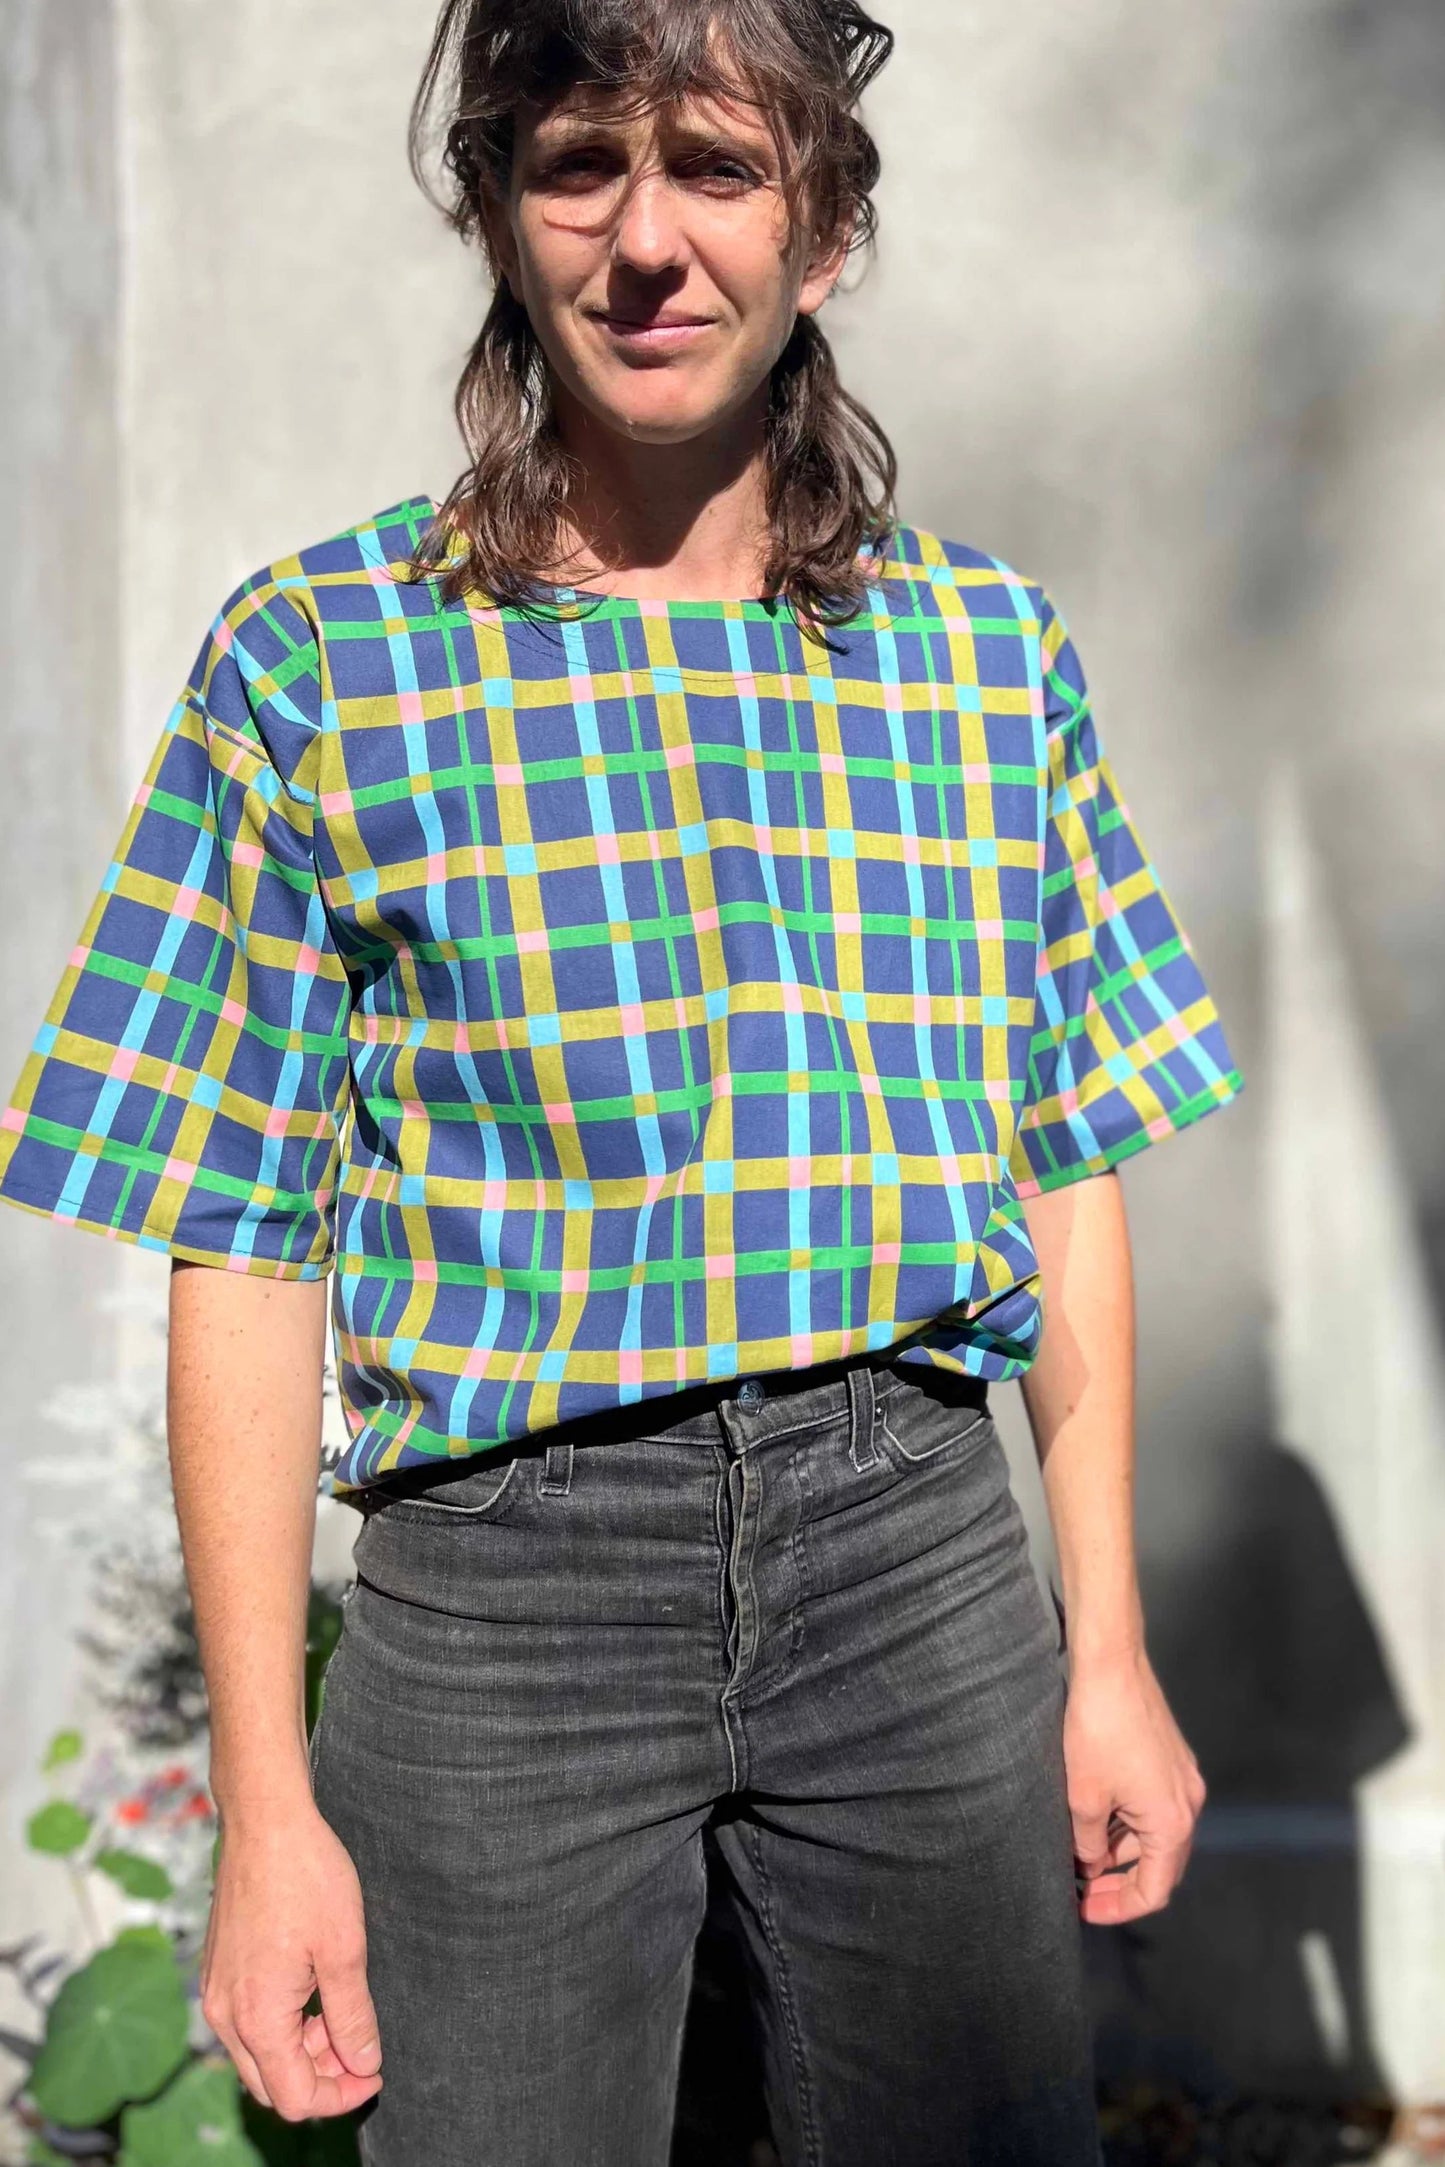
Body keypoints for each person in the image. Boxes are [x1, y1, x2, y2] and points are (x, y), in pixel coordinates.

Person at [0, 0, 1244, 2160]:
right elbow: (243, 1236)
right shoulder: (321, 661)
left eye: (720, 169)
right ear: (496, 208)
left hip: (916, 1555)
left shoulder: (980, 655)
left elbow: (1069, 1160)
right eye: (579, 164)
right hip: (504, 1608)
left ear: (825, 228)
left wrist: (1106, 1642)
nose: (645, 240)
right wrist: (264, 1813)